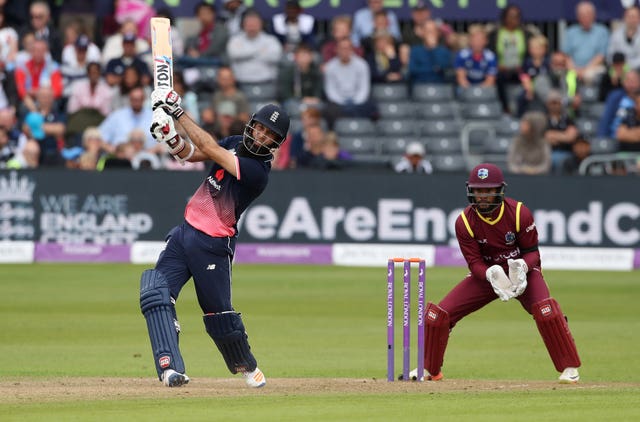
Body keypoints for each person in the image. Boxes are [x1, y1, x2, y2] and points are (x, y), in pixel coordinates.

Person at [141, 86, 290, 388]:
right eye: (260, 128)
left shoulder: (258, 171)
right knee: (155, 294)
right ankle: (170, 369)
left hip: (213, 246)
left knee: (219, 318)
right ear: (251, 125)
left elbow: (209, 149)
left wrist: (177, 112)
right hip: (184, 234)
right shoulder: (235, 142)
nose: (260, 136)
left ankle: (247, 366)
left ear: (276, 143)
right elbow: (193, 154)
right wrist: (169, 137)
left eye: (269, 135)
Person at [418, 163, 581, 383]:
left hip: (523, 274)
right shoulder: (464, 222)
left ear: (499, 190)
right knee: (438, 316)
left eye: (488, 190)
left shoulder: (519, 213)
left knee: (546, 312)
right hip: (488, 276)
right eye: (478, 190)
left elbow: (533, 253)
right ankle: (430, 370)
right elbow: (474, 263)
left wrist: (522, 267)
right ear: (471, 191)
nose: (483, 196)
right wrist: (489, 274)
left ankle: (569, 368)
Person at [226, 9, 282, 84]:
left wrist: (245, 54)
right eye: (249, 24)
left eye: (255, 24)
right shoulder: (235, 40)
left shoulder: (271, 40)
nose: (252, 27)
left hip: (267, 82)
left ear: (261, 25)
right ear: (243, 25)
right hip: (241, 82)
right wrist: (260, 51)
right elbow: (234, 54)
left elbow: (275, 57)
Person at [561, 1, 609, 85]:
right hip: (574, 68)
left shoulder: (602, 31)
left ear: (594, 15)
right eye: (582, 15)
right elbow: (566, 56)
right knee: (569, 77)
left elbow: (601, 56)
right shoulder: (571, 32)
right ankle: (572, 97)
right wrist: (574, 70)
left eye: (588, 15)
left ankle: (589, 97)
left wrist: (585, 70)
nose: (585, 18)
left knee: (589, 75)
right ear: (578, 17)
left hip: (595, 68)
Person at [507, 110, 551, 175]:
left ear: (534, 127)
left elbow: (546, 165)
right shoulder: (517, 141)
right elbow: (511, 164)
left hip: (539, 178)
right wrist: (521, 170)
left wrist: (535, 170)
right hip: (520, 177)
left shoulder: (543, 143)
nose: (521, 125)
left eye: (525, 124)